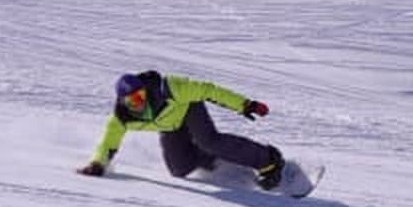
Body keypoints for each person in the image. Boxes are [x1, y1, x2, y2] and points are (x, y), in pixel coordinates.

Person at [77, 70, 285, 189]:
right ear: (122, 101)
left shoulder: (168, 89)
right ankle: (217, 159)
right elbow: (108, 143)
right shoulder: (122, 118)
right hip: (171, 127)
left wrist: (245, 105)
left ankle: (268, 160)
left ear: (145, 90)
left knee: (208, 140)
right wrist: (97, 164)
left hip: (188, 110)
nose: (138, 103)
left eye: (140, 96)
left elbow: (208, 91)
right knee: (179, 169)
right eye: (132, 100)